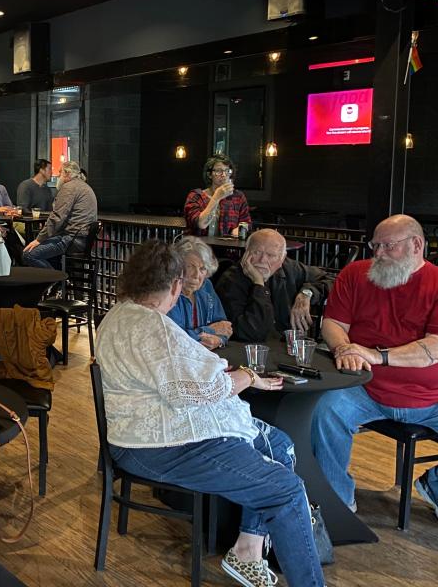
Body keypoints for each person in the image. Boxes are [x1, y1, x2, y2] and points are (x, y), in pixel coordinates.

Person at [96, 239, 324, 587]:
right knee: (287, 490)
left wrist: (229, 375)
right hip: (155, 446)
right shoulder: (151, 327)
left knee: (277, 443)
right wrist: (247, 377)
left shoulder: (121, 314)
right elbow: (196, 392)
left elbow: (181, 377)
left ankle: (248, 548)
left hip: (144, 436)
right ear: (175, 285)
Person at [311, 214, 438, 529]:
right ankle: (336, 499)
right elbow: (333, 323)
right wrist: (344, 348)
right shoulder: (356, 274)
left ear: (416, 245)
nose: (379, 254)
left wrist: (375, 355)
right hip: (365, 389)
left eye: (388, 246)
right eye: (375, 245)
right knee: (323, 410)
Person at [216, 229, 334, 341]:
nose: (262, 260)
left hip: (286, 346)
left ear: (282, 258)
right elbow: (252, 332)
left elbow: (332, 280)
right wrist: (259, 284)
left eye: (271, 255)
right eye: (256, 252)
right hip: (250, 350)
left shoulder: (289, 268)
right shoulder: (230, 280)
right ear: (246, 252)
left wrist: (306, 293)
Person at [23, 160, 97, 269]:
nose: (58, 176)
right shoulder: (85, 187)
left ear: (67, 174)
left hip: (72, 239)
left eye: (60, 172)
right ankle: (56, 280)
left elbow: (57, 217)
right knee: (49, 256)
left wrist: (39, 239)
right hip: (83, 240)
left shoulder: (69, 187)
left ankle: (55, 281)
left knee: (29, 254)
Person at [167, 236, 232, 349]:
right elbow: (175, 338)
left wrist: (219, 340)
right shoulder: (168, 292)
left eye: (202, 269)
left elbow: (224, 327)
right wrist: (211, 330)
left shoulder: (206, 286)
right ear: (177, 267)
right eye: (190, 267)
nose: (196, 275)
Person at [184, 154, 252, 237]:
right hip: (199, 247)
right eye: (219, 171)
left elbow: (247, 223)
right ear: (209, 174)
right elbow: (201, 224)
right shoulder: (196, 196)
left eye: (227, 171)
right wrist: (216, 197)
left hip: (227, 246)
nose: (224, 175)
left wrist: (238, 230)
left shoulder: (238, 197)